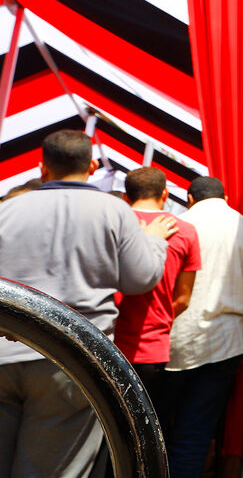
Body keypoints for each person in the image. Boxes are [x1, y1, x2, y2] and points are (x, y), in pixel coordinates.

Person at [0, 129, 174, 478]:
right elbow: (140, 279)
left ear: (43, 167)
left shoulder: (8, 208)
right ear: (92, 165)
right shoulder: (114, 210)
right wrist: (154, 242)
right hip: (70, 360)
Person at [164, 175, 243, 478]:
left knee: (156, 423)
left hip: (175, 338)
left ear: (190, 199)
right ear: (225, 200)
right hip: (227, 342)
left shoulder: (176, 225)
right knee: (195, 433)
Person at [115, 167, 201, 432]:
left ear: (126, 196)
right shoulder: (185, 231)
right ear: (165, 193)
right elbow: (183, 298)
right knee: (139, 431)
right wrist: (159, 317)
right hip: (152, 349)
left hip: (105, 340)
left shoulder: (113, 224)